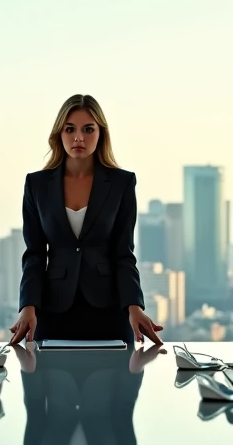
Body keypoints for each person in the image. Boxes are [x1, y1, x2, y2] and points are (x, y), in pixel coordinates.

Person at [10, 94, 162, 345]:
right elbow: (34, 254)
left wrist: (134, 306)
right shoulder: (37, 185)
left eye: (88, 129)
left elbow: (124, 253)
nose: (78, 137)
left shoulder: (121, 183)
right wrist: (28, 306)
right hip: (53, 311)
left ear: (101, 133)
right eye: (70, 129)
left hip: (110, 310)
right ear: (59, 133)